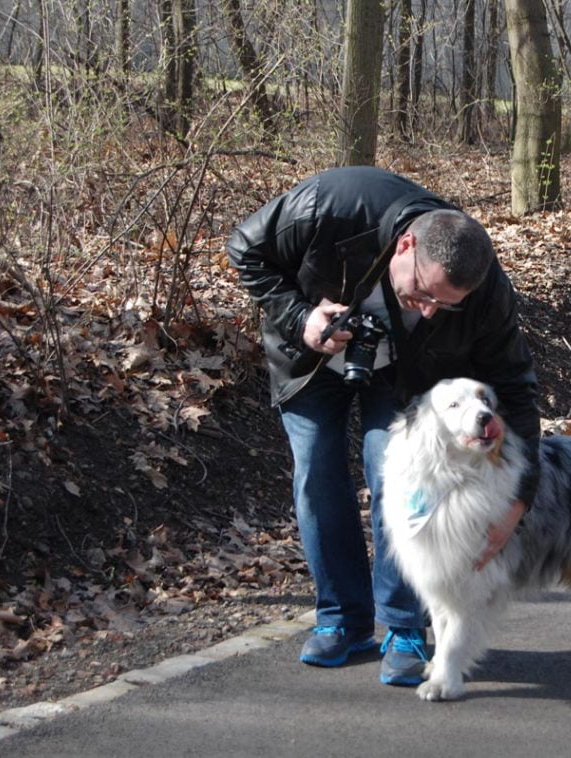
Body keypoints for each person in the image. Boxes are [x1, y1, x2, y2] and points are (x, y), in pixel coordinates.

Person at [225, 166, 540, 686]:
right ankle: (342, 620)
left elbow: (519, 389)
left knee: (395, 476)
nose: (430, 309)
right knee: (316, 476)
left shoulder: (485, 292)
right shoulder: (331, 205)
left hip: (401, 372)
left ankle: (402, 624)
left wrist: (517, 502)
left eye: (445, 305)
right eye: (422, 293)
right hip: (307, 357)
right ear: (405, 245)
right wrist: (300, 316)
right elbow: (246, 249)